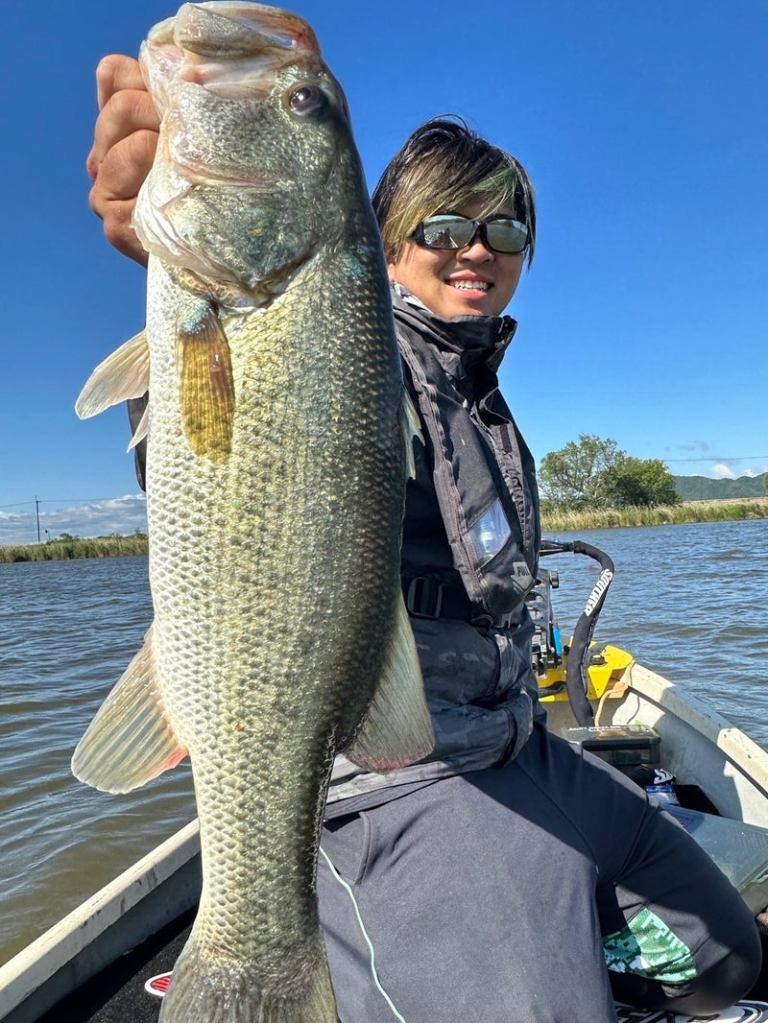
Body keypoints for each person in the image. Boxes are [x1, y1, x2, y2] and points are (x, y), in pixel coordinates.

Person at [87, 55, 761, 1023]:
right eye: (444, 226)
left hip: (512, 743)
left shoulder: (481, 389)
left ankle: (529, 936)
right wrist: (177, 250)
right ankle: (339, 942)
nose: (477, 248)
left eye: (505, 229)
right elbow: (220, 432)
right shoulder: (353, 339)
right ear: (386, 241)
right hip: (381, 780)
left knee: (724, 956)